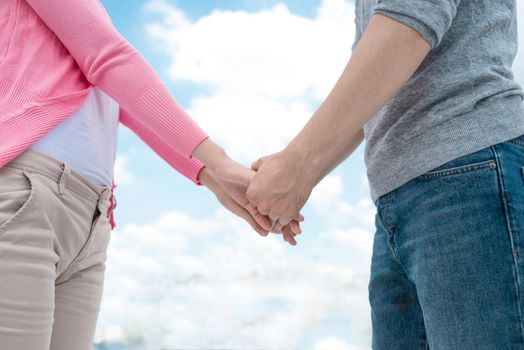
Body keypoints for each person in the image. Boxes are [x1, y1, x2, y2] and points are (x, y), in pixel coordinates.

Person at [0, 0, 303, 349]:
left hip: (90, 220)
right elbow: (106, 57)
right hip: (27, 199)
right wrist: (219, 163)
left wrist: (214, 179)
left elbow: (124, 98)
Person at [244, 0, 524, 348]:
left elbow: (409, 20)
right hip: (402, 198)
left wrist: (298, 167)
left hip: (465, 173)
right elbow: (375, 79)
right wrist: (299, 174)